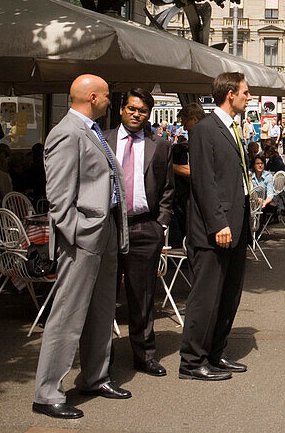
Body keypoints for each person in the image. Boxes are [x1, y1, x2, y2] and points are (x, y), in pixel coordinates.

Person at [32, 75, 130, 420]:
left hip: (104, 233)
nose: (109, 101)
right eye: (105, 96)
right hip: (84, 238)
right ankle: (47, 392)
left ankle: (95, 376)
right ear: (92, 97)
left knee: (102, 310)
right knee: (68, 316)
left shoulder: (91, 130)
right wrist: (78, 232)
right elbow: (59, 196)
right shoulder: (66, 132)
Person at [179, 72, 253, 382]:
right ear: (230, 94)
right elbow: (204, 182)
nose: (249, 97)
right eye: (245, 93)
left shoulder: (234, 128)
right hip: (215, 230)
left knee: (228, 295)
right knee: (206, 296)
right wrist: (218, 223)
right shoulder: (206, 130)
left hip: (238, 225)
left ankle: (216, 352)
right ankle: (192, 361)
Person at [105, 87, 175, 378]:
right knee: (104, 296)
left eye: (142, 111)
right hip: (108, 226)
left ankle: (144, 355)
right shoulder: (103, 140)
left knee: (142, 296)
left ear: (149, 115)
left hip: (145, 227)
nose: (136, 114)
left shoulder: (160, 145)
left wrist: (160, 224)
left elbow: (168, 189)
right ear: (122, 109)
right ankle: (101, 359)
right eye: (132, 109)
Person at [170, 103, 205, 250]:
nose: (184, 128)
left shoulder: (203, 137)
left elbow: (195, 171)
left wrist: (168, 166)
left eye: (186, 123)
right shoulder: (197, 136)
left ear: (195, 119)